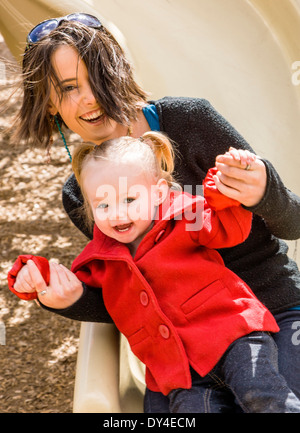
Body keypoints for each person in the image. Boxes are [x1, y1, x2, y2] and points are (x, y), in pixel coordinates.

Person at [8, 13, 300, 412]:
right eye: (68, 89)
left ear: (120, 72)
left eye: (98, 77)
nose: (89, 98)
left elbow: (294, 223)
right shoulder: (82, 194)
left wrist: (265, 192)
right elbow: (127, 288)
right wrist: (69, 298)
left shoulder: (189, 120)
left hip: (272, 305)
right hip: (187, 340)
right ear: (51, 105)